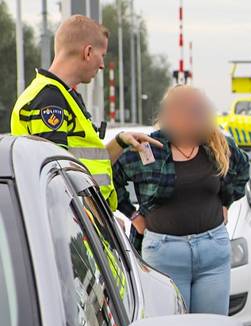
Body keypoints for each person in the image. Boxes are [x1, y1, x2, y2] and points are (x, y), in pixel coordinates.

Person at [113, 85, 250, 314]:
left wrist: (226, 203)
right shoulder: (147, 147)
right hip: (164, 254)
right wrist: (134, 215)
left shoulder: (217, 144)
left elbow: (242, 169)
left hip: (212, 250)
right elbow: (112, 178)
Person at [9, 15, 159, 209]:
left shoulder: (62, 95)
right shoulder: (49, 100)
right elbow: (56, 180)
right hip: (73, 228)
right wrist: (90, 222)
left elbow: (86, 164)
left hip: (84, 222)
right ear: (88, 52)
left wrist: (120, 141)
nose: (102, 65)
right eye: (102, 55)